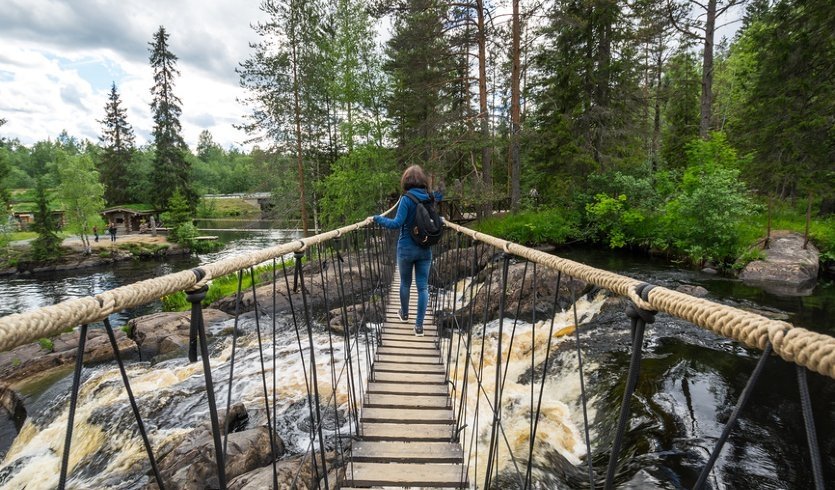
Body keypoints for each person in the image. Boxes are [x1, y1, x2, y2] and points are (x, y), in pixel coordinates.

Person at [373, 165, 443, 336]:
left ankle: (404, 315)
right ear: (423, 180)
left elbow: (396, 223)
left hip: (406, 248)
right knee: (423, 288)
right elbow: (440, 198)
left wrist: (377, 219)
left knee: (405, 283)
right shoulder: (430, 197)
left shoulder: (406, 199)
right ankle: (419, 327)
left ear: (406, 181)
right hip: (425, 248)